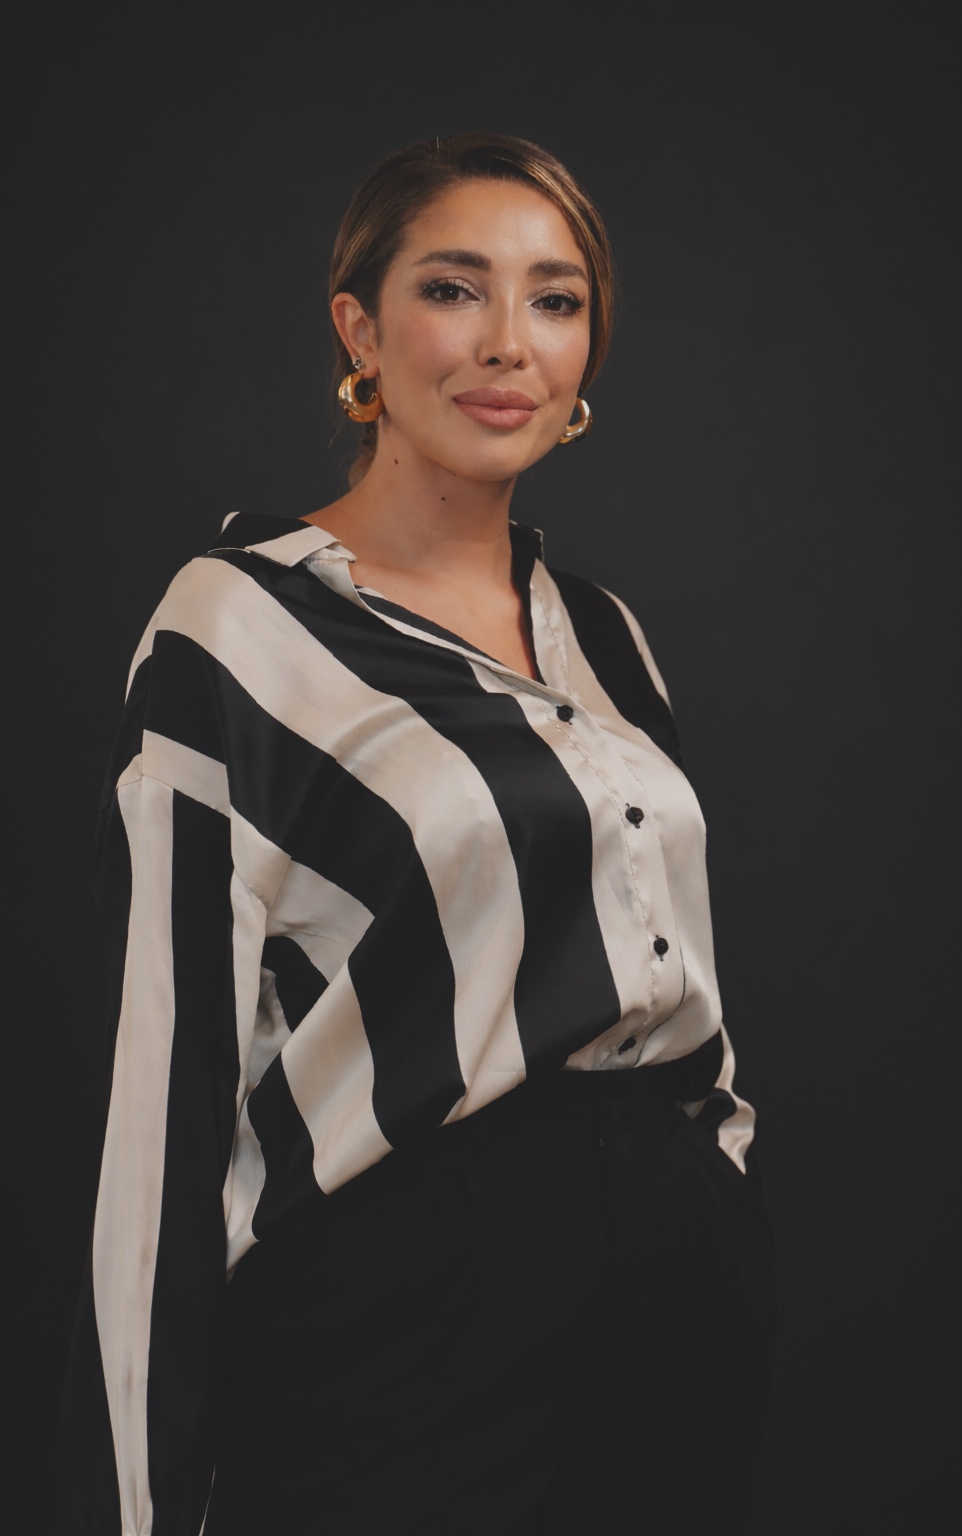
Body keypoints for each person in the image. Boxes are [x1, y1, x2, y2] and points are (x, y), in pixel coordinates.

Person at [59, 132, 775, 1535]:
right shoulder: (237, 627)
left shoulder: (606, 635)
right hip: (408, 1308)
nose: (509, 341)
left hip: (674, 1299)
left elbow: (678, 970)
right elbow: (165, 1092)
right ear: (361, 331)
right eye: (454, 289)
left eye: (556, 300)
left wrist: (716, 1173)